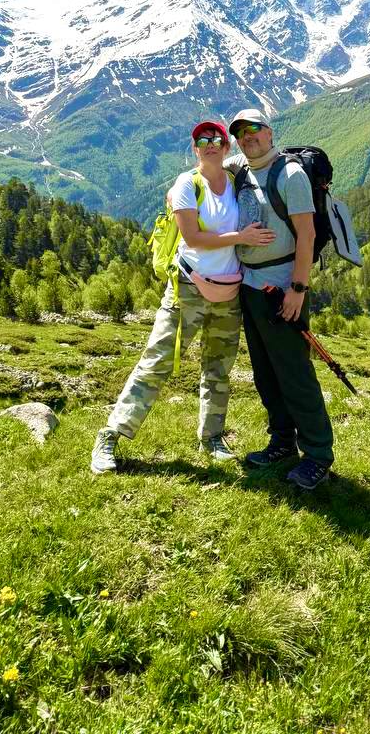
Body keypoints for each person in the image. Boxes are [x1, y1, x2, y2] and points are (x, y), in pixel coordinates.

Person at [90, 119, 275, 474]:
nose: (210, 143)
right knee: (157, 361)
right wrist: (241, 237)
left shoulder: (235, 177)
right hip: (187, 289)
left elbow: (260, 159)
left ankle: (212, 437)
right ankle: (110, 435)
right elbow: (192, 238)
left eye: (217, 139)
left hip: (228, 291)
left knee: (218, 369)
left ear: (226, 147)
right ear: (194, 148)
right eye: (202, 139)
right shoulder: (188, 183)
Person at [228, 109, 335, 490]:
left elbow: (306, 236)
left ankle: (318, 454)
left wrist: (298, 289)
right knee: (265, 372)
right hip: (250, 286)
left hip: (283, 287)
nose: (248, 136)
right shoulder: (241, 169)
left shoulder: (289, 175)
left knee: (294, 372)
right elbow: (206, 168)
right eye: (240, 132)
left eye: (254, 129)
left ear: (270, 132)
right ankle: (282, 441)